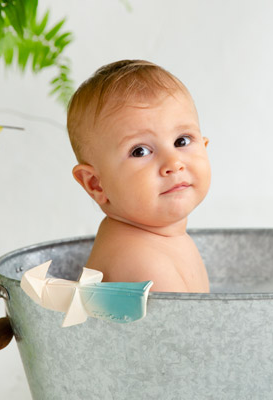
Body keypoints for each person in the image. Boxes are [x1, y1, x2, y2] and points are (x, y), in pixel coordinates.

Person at [67, 60, 211, 293]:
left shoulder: (157, 237)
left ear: (205, 146)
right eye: (140, 151)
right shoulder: (142, 264)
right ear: (95, 184)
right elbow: (188, 330)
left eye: (181, 141)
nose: (173, 163)